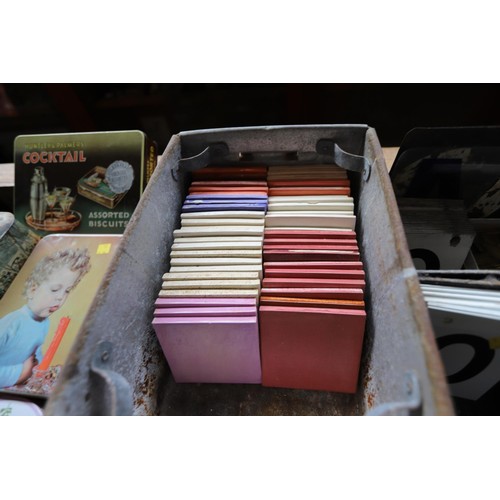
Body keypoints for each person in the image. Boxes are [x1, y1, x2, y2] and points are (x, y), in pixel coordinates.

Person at [0, 247, 91, 388]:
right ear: (33, 290)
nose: (61, 297)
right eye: (55, 289)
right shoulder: (12, 323)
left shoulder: (43, 323)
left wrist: (42, 371)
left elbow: (35, 356)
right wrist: (22, 372)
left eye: (67, 290)